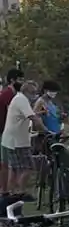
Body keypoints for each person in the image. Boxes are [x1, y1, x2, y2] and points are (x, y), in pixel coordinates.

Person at [1, 81, 46, 201]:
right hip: (17, 142)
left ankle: (11, 194)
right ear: (26, 91)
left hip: (11, 140)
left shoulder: (18, 99)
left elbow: (26, 115)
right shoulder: (22, 100)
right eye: (33, 93)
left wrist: (38, 113)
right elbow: (33, 118)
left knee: (15, 169)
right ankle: (20, 192)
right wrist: (47, 131)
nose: (35, 95)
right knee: (28, 167)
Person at [0, 68, 24, 198]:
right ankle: (4, 191)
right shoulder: (8, 94)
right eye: (19, 79)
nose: (22, 82)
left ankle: (7, 190)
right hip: (3, 131)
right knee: (5, 163)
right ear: (12, 80)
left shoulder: (12, 94)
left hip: (7, 132)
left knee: (8, 163)